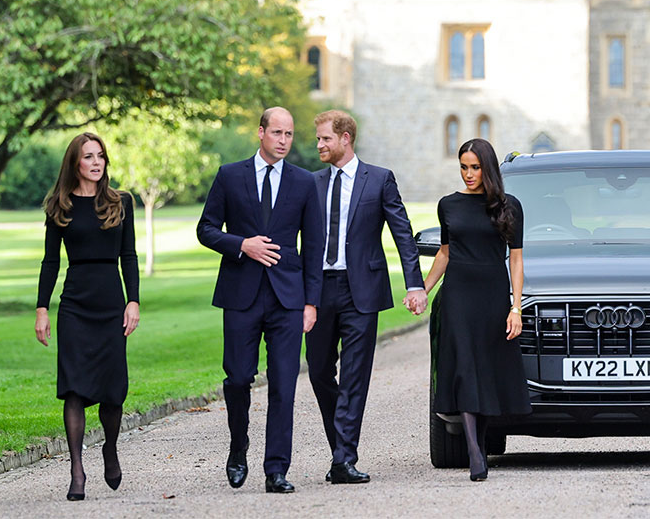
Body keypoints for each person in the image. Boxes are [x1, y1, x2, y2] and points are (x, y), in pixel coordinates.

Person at [197, 107, 323, 494]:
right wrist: (241, 245)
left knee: (284, 384)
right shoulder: (230, 176)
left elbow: (314, 246)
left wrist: (311, 302)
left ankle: (277, 469)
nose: (284, 140)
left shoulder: (304, 182)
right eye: (277, 133)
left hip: (288, 299)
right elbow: (205, 229)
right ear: (260, 133)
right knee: (237, 379)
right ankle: (238, 448)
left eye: (289, 133)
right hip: (241, 296)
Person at [306, 110, 428, 484]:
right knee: (319, 372)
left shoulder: (378, 179)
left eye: (325, 138)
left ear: (345, 138)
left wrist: (414, 283)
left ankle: (343, 458)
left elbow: (402, 233)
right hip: (319, 290)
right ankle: (340, 448)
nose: (319, 145)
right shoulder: (309, 183)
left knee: (355, 376)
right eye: (318, 139)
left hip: (363, 291)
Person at [35, 132, 139, 500]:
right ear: (74, 163)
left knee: (113, 393)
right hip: (76, 306)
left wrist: (133, 301)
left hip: (111, 304)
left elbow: (129, 255)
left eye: (100, 156)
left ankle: (110, 446)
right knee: (74, 388)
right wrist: (42, 308)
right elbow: (50, 261)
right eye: (88, 157)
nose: (96, 163)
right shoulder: (58, 207)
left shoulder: (121, 202)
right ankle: (76, 469)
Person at [423, 138, 531, 482]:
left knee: (485, 368)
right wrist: (421, 290)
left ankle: (479, 442)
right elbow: (444, 253)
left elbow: (516, 259)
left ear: (488, 168)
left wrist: (516, 307)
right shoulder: (448, 205)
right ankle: (474, 453)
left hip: (493, 296)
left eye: (475, 167)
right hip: (457, 296)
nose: (468, 174)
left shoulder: (509, 205)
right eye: (463, 167)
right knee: (466, 367)